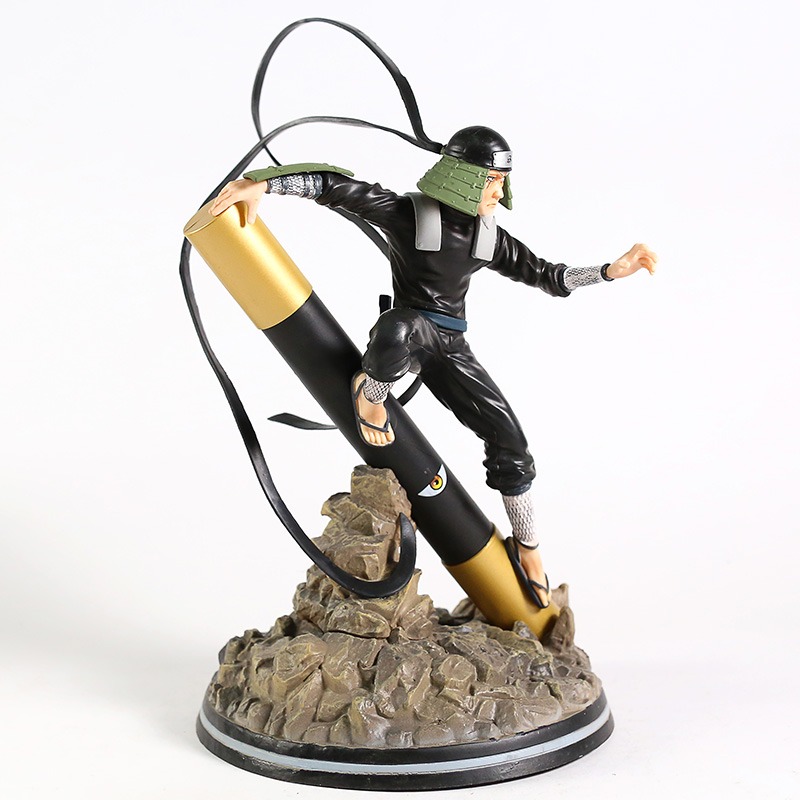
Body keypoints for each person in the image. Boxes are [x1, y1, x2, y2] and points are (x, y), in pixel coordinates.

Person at [210, 126, 657, 607]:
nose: (499, 192)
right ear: (465, 177)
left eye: (502, 181)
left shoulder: (487, 238)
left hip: (452, 346)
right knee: (397, 327)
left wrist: (609, 272)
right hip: (410, 332)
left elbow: (547, 275)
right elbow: (340, 188)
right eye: (492, 181)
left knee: (509, 438)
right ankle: (371, 393)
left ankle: (527, 545)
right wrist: (265, 184)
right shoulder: (410, 216)